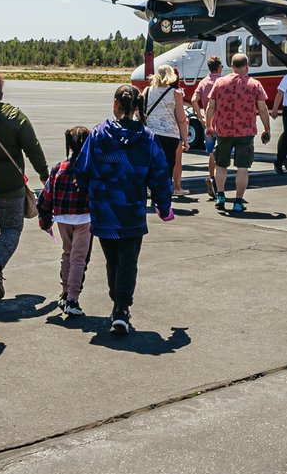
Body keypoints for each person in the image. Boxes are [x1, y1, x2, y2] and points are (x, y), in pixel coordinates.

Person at [75, 85, 174, 334]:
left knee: (113, 261)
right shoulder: (148, 138)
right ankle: (121, 308)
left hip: (104, 209)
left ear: (116, 104)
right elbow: (160, 175)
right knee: (128, 261)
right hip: (131, 210)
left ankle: (117, 303)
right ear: (138, 108)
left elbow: (82, 169)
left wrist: (90, 192)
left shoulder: (98, 134)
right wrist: (163, 206)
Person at [0, 73, 49, 299]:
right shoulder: (16, 117)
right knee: (11, 230)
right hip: (10, 187)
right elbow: (33, 149)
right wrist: (45, 176)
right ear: (1, 95)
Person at [204, 53, 272, 213]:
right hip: (245, 132)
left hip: (223, 131)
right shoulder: (255, 85)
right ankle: (238, 202)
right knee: (242, 168)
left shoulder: (220, 83)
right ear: (247, 66)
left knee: (221, 166)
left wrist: (208, 126)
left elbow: (210, 106)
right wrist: (267, 128)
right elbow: (262, 109)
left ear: (232, 66)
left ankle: (220, 197)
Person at [36, 125, 92, 318]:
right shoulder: (89, 169)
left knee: (67, 254)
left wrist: (45, 218)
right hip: (84, 217)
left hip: (62, 218)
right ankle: (72, 299)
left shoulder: (58, 168)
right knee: (79, 258)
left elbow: (45, 197)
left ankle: (65, 291)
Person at [143, 63, 188, 198]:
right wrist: (185, 139)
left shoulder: (147, 90)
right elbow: (181, 118)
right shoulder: (175, 93)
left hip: (150, 134)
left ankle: (150, 189)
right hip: (170, 135)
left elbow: (140, 112)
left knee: (151, 163)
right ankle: (163, 197)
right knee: (167, 165)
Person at [188, 55, 224, 199]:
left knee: (211, 153)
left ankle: (212, 177)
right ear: (219, 67)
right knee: (222, 155)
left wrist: (200, 116)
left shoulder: (203, 82)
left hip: (208, 123)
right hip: (223, 123)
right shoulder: (222, 81)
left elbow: (193, 100)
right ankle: (217, 183)